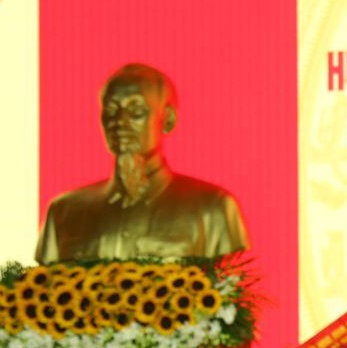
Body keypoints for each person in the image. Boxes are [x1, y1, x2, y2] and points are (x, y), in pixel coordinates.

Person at [35, 63, 250, 262]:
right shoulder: (64, 212)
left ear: (168, 119)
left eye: (136, 111)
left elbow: (231, 286)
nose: (120, 121)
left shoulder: (213, 208)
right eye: (111, 111)